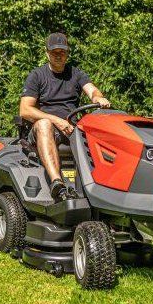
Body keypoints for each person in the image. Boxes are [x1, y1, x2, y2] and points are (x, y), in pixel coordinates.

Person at [19, 32, 112, 202]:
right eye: (54, 52)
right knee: (44, 124)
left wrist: (97, 98)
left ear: (67, 53)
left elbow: (92, 90)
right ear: (47, 53)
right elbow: (25, 110)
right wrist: (56, 120)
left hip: (71, 128)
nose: (58, 56)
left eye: (62, 52)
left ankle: (105, 187)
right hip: (45, 130)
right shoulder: (37, 75)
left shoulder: (76, 74)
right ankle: (57, 184)